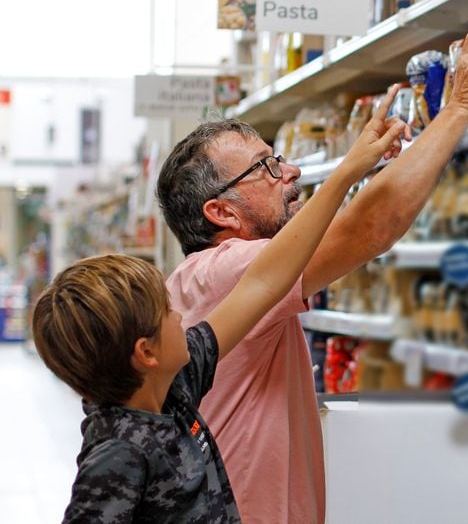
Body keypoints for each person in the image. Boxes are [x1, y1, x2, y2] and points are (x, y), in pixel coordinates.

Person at [156, 21, 468, 523]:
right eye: (266, 167)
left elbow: (347, 223)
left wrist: (371, 168)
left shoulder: (198, 277)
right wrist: (460, 108)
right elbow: (367, 228)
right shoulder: (229, 269)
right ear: (223, 214)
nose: (292, 171)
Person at [31, 88, 410, 523]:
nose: (182, 315)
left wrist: (347, 171)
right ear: (146, 353)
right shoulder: (117, 451)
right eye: (168, 314)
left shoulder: (182, 382)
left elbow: (265, 282)